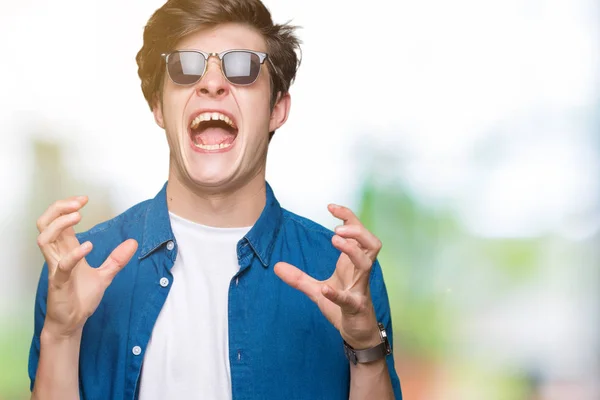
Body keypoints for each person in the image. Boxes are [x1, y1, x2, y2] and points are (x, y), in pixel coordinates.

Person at [28, 0, 403, 398]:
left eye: (242, 67)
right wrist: (61, 333)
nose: (211, 83)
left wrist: (367, 347)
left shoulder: (340, 273)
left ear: (277, 109)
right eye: (186, 67)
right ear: (158, 106)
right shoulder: (81, 266)